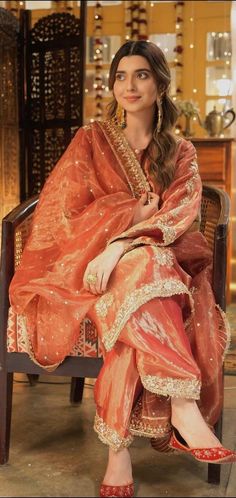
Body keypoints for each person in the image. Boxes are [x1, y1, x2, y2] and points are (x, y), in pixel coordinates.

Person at [9, 40, 235, 498]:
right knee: (144, 275)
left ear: (160, 84)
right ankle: (182, 403)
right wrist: (124, 220)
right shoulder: (91, 140)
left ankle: (118, 452)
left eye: (141, 75)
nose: (129, 86)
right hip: (87, 266)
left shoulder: (182, 152)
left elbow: (179, 215)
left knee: (146, 270)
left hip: (158, 264)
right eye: (120, 76)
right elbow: (62, 215)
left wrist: (122, 245)